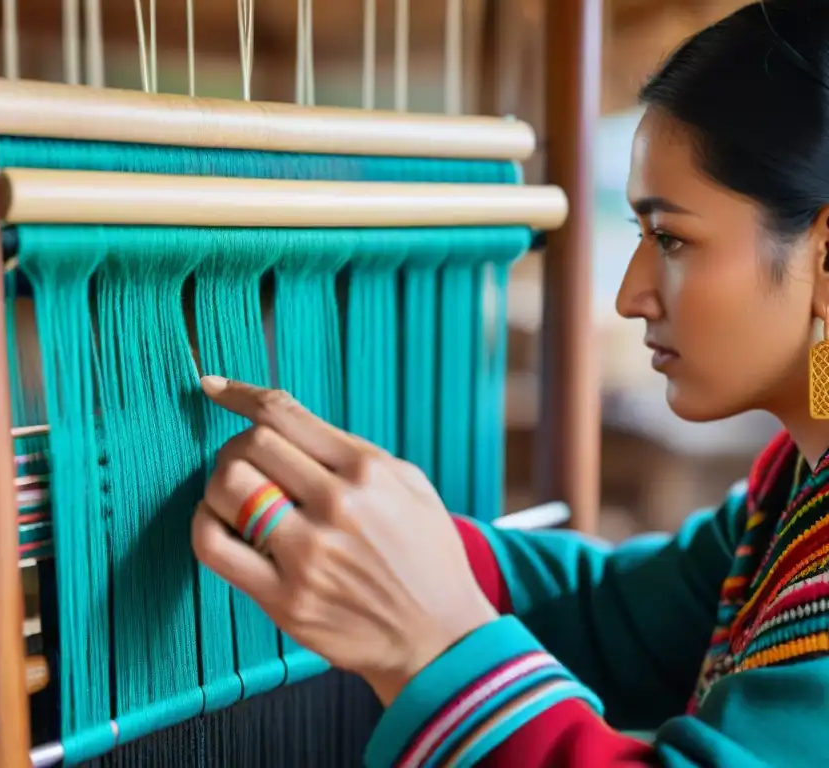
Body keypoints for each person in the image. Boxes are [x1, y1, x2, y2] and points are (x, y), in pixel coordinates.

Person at [191, 1, 829, 765]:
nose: (630, 296)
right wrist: (369, 526)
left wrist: (428, 643)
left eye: (673, 239)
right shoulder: (796, 487)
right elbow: (613, 617)